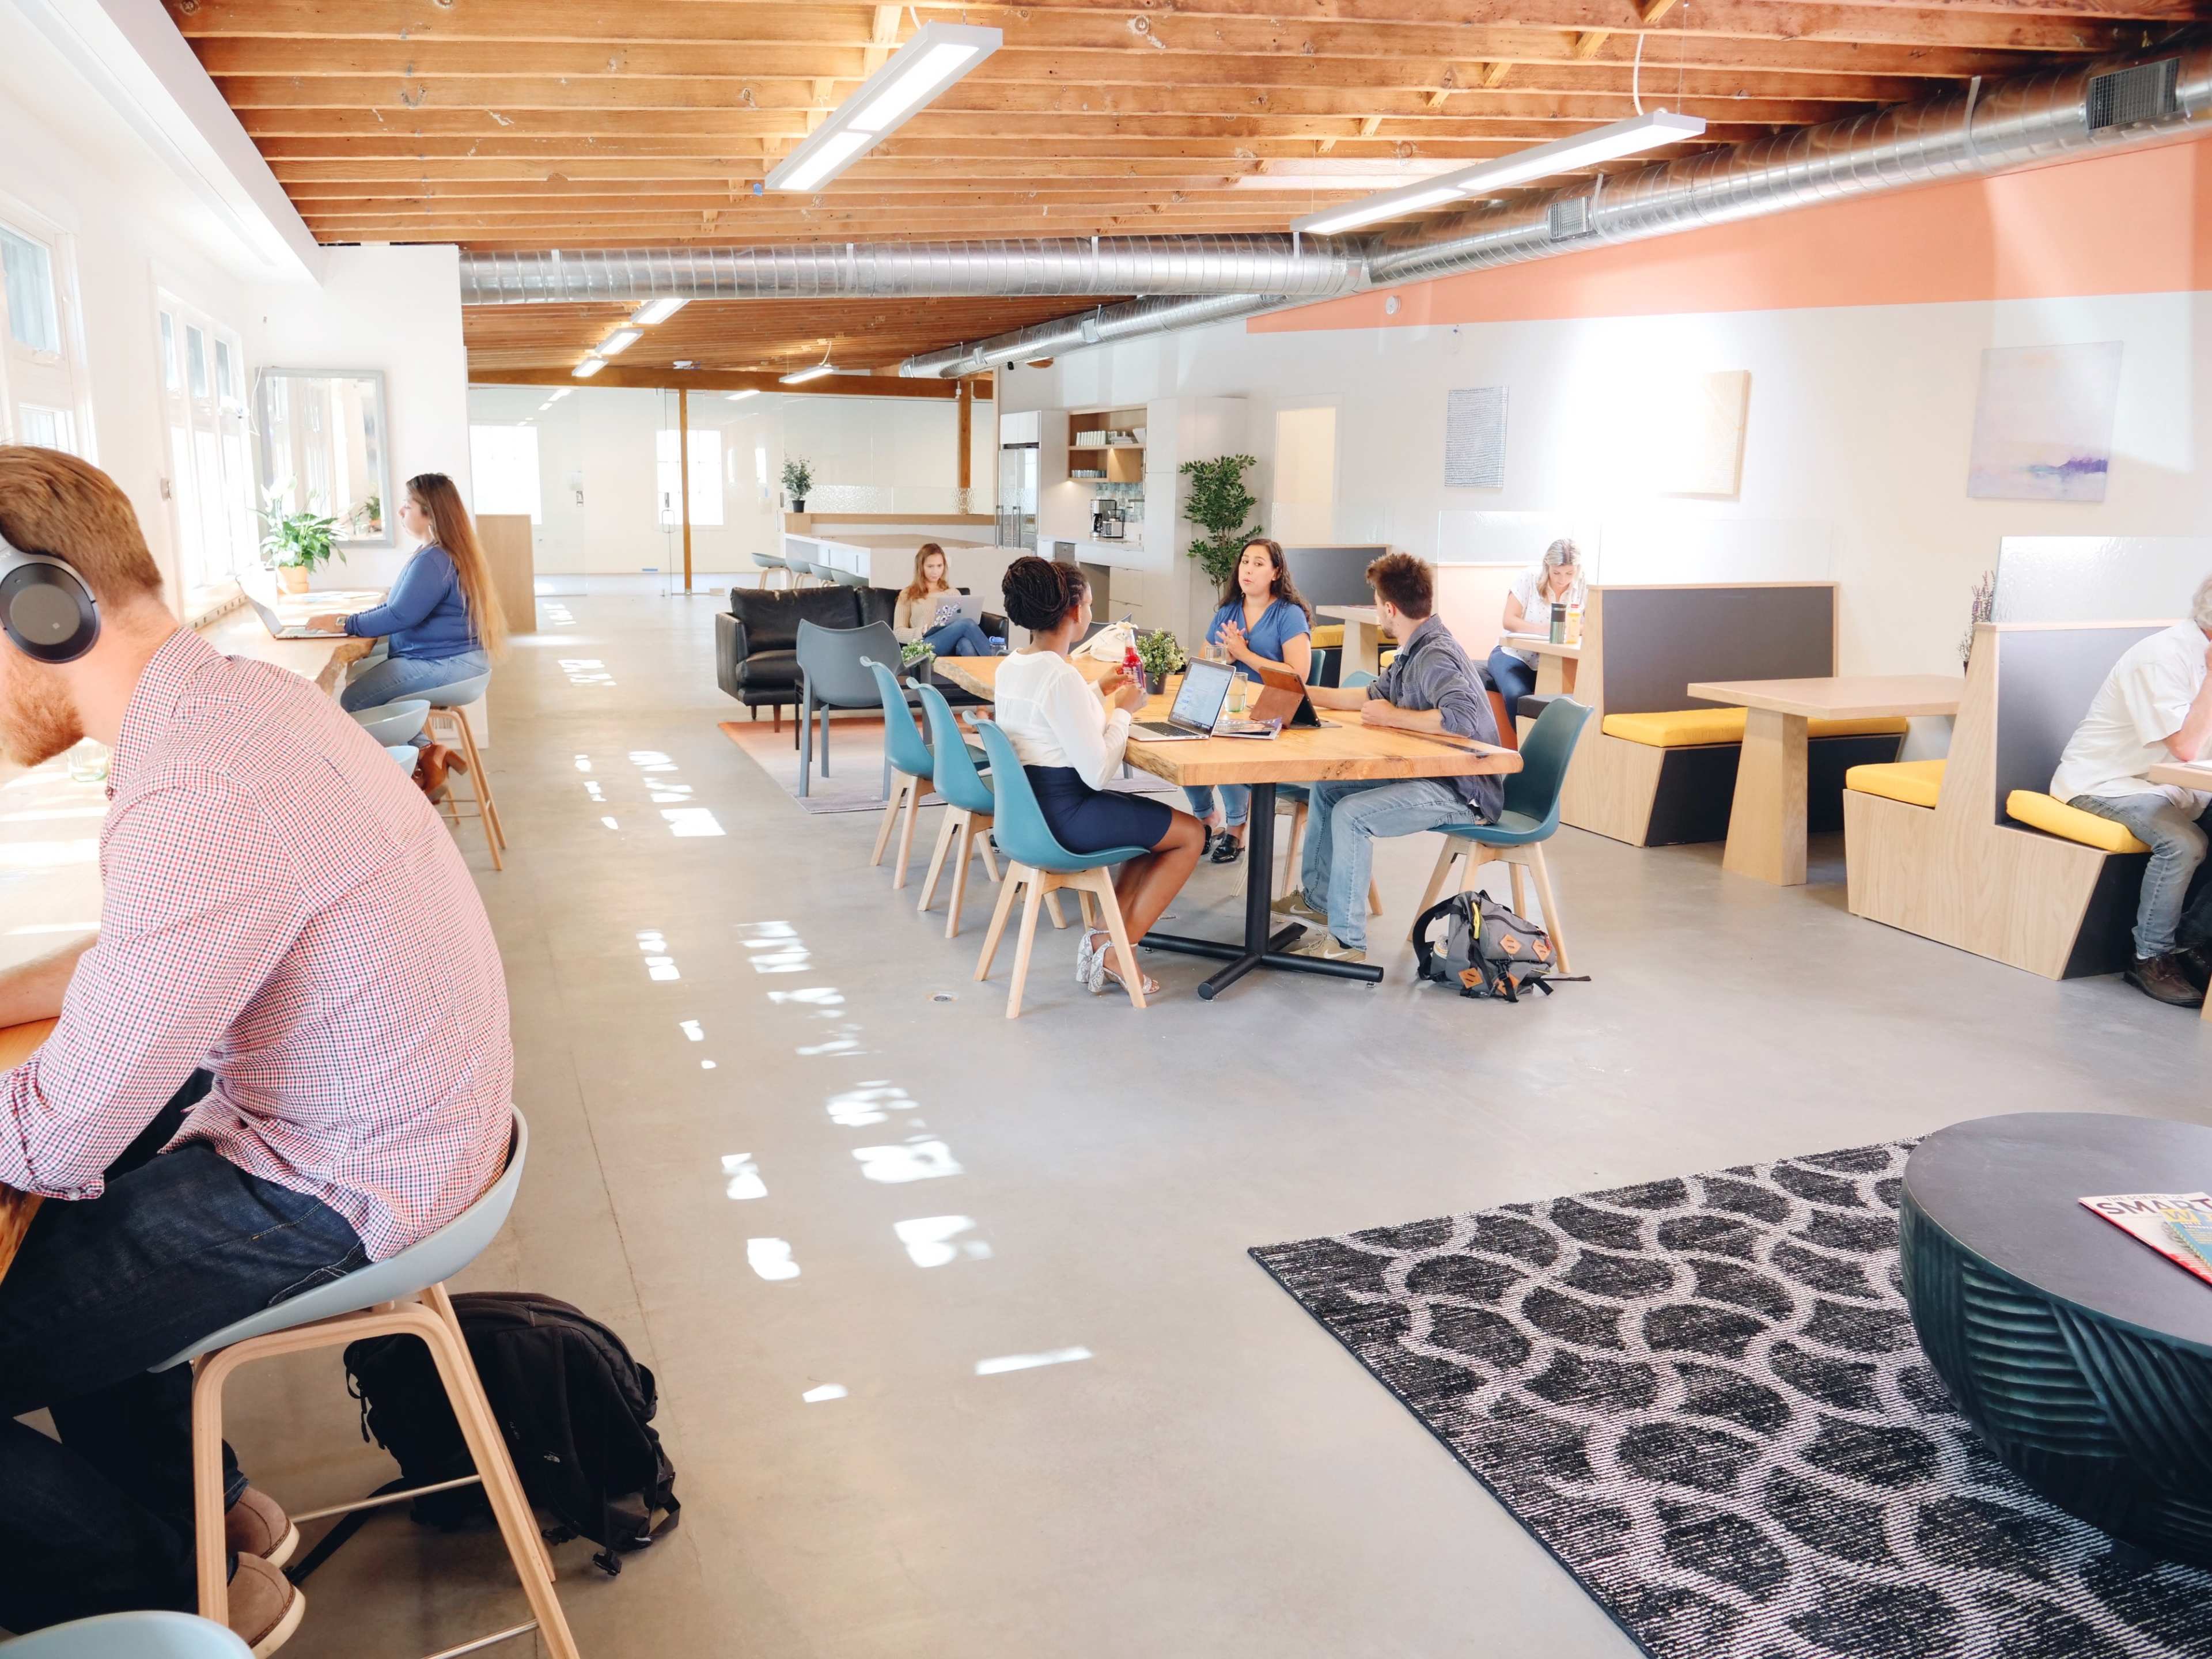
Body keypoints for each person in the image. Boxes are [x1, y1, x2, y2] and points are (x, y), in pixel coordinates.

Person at [0, 448, 513, 1648]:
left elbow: (59, 1130)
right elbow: (137, 961)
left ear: (39, 609)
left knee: (64, 1198)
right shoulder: (237, 708)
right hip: (400, 1134)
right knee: (77, 1227)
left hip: (343, 1182)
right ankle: (223, 1517)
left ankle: (177, 1591)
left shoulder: (198, 786)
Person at [1273, 551, 1508, 964]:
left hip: (1463, 791)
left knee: (1353, 815)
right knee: (1329, 790)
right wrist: (1299, 694)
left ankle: (1348, 943)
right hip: (1432, 776)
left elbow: (1463, 720)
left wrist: (1394, 717)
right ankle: (1318, 900)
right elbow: (1365, 698)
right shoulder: (1411, 651)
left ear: (1389, 607)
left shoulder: (1436, 655)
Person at [991, 556, 1205, 999]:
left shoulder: (1013, 665)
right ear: (1073, 613)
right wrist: (1125, 711)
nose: (1090, 612)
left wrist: (1100, 690)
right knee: (1190, 834)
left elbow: (1046, 724)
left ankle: (1105, 938)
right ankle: (1116, 951)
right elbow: (1097, 772)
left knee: (1154, 834)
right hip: (1068, 816)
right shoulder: (1059, 676)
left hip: (1028, 815)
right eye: (1088, 604)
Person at [2049, 577, 2212, 1008]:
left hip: (2173, 785)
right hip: (2105, 782)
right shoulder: (2160, 658)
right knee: (2184, 843)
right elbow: (2185, 747)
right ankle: (2149, 958)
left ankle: (2193, 945)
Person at [311, 472, 507, 797]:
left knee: (354, 699)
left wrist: (345, 623)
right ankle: (429, 754)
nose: (401, 513)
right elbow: (397, 608)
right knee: (369, 691)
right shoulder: (441, 553)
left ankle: (397, 780)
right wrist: (352, 621)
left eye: (407, 506)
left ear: (429, 513)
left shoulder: (435, 559)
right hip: (456, 660)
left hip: (447, 664)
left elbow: (400, 615)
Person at [1184, 537, 1314, 866]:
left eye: (1259, 564)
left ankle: (1237, 827)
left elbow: (1298, 675)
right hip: (1229, 707)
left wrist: (1245, 655)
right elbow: (1202, 667)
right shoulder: (1227, 612)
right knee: (1184, 737)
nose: (1249, 570)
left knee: (1225, 744)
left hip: (1273, 712)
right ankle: (1205, 817)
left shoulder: (1289, 614)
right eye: (1245, 562)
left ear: (1276, 572)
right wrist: (1225, 658)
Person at [1487, 539, 1584, 720]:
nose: (1563, 580)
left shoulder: (1584, 584)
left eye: (1569, 573)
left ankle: (1559, 747)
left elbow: (1591, 625)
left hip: (1556, 661)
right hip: (1515, 655)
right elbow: (1509, 620)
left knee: (1572, 701)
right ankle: (1526, 746)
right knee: (1518, 696)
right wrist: (1543, 630)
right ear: (1547, 566)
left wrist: (1572, 629)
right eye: (1556, 573)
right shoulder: (1529, 577)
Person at [892, 543, 999, 659]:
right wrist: (921, 632)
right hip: (926, 644)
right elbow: (898, 632)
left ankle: (979, 676)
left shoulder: (952, 593)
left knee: (967, 645)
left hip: (952, 643)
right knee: (967, 624)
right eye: (930, 566)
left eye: (939, 566)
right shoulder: (908, 594)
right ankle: (997, 664)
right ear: (921, 567)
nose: (935, 571)